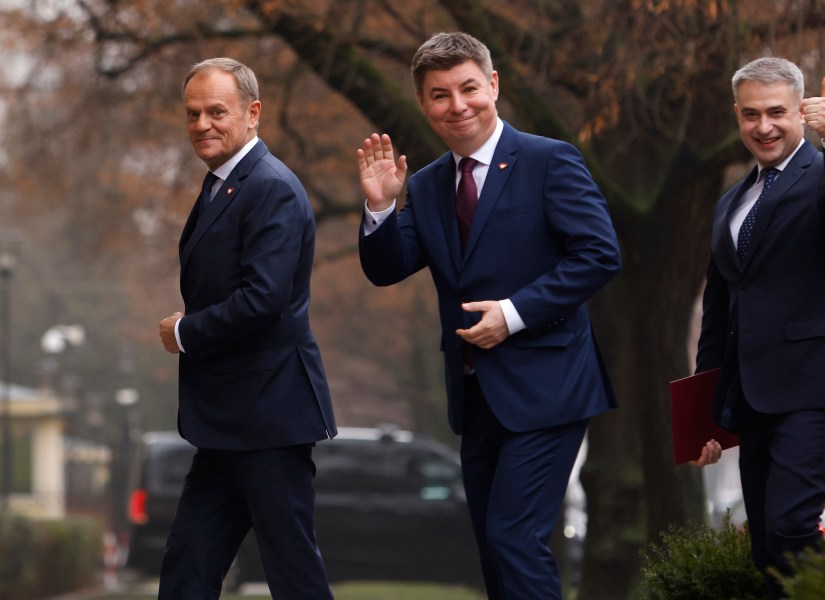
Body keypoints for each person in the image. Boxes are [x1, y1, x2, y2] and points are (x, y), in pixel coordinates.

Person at [356, 32, 621, 600]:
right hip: (476, 398)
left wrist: (514, 313)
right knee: (494, 549)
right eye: (440, 95)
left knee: (514, 537)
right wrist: (380, 208)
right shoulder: (425, 186)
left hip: (550, 388)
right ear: (424, 105)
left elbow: (600, 254)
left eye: (469, 88)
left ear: (493, 85)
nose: (458, 106)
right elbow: (389, 267)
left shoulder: (550, 160)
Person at [695, 57, 825, 597]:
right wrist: (705, 412)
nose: (764, 126)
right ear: (737, 116)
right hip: (754, 399)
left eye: (777, 112)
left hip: (818, 386)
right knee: (767, 550)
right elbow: (720, 311)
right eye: (751, 114)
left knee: (792, 531)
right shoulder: (731, 203)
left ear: (802, 111)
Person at [157, 57, 336, 599]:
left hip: (269, 422)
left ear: (253, 113)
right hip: (226, 426)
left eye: (217, 112)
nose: (202, 125)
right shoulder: (224, 184)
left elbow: (264, 300)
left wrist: (185, 332)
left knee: (293, 576)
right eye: (193, 114)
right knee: (187, 572)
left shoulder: (271, 187)